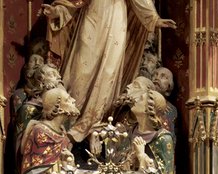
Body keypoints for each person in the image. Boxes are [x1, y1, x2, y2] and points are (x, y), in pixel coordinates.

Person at [43, 0, 175, 141]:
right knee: (81, 71)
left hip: (117, 19)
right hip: (93, 13)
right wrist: (60, 10)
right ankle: (67, 122)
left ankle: (94, 127)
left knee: (108, 73)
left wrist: (153, 18)